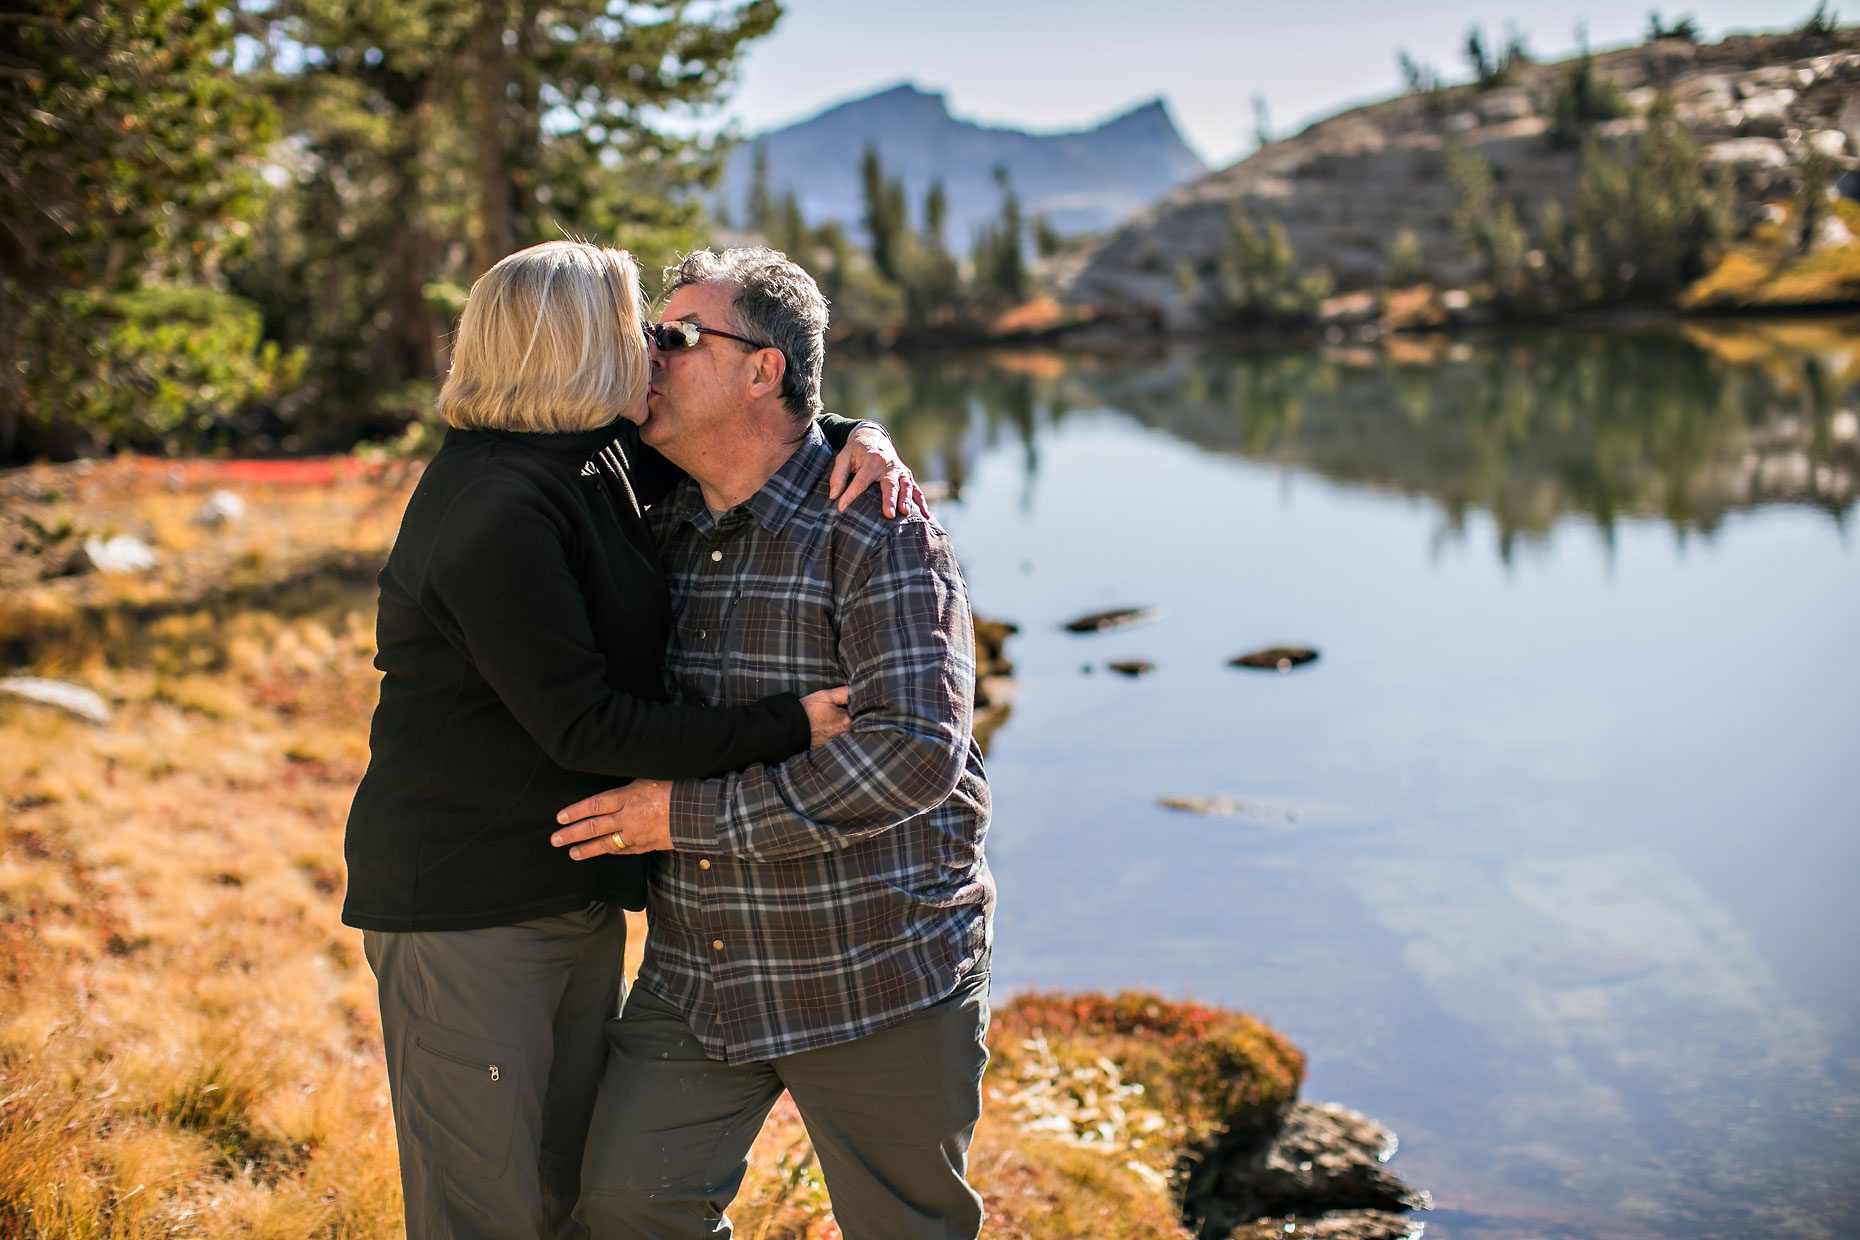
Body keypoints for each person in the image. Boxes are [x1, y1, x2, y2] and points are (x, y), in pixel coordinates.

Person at [340, 239, 923, 1240]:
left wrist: (857, 433)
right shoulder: (495, 505)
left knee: (569, 1198)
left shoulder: (595, 457)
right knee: (485, 1212)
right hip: (468, 900)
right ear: (575, 346)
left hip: (571, 882)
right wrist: (786, 724)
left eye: (670, 335)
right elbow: (585, 724)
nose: (655, 350)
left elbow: (762, 424)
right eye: (639, 329)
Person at [549, 246, 994, 1240]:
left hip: (876, 966)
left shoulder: (876, 527)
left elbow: (914, 752)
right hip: (701, 972)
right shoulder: (647, 514)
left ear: (763, 369)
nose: (647, 357)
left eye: (674, 337)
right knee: (624, 1210)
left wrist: (680, 813)